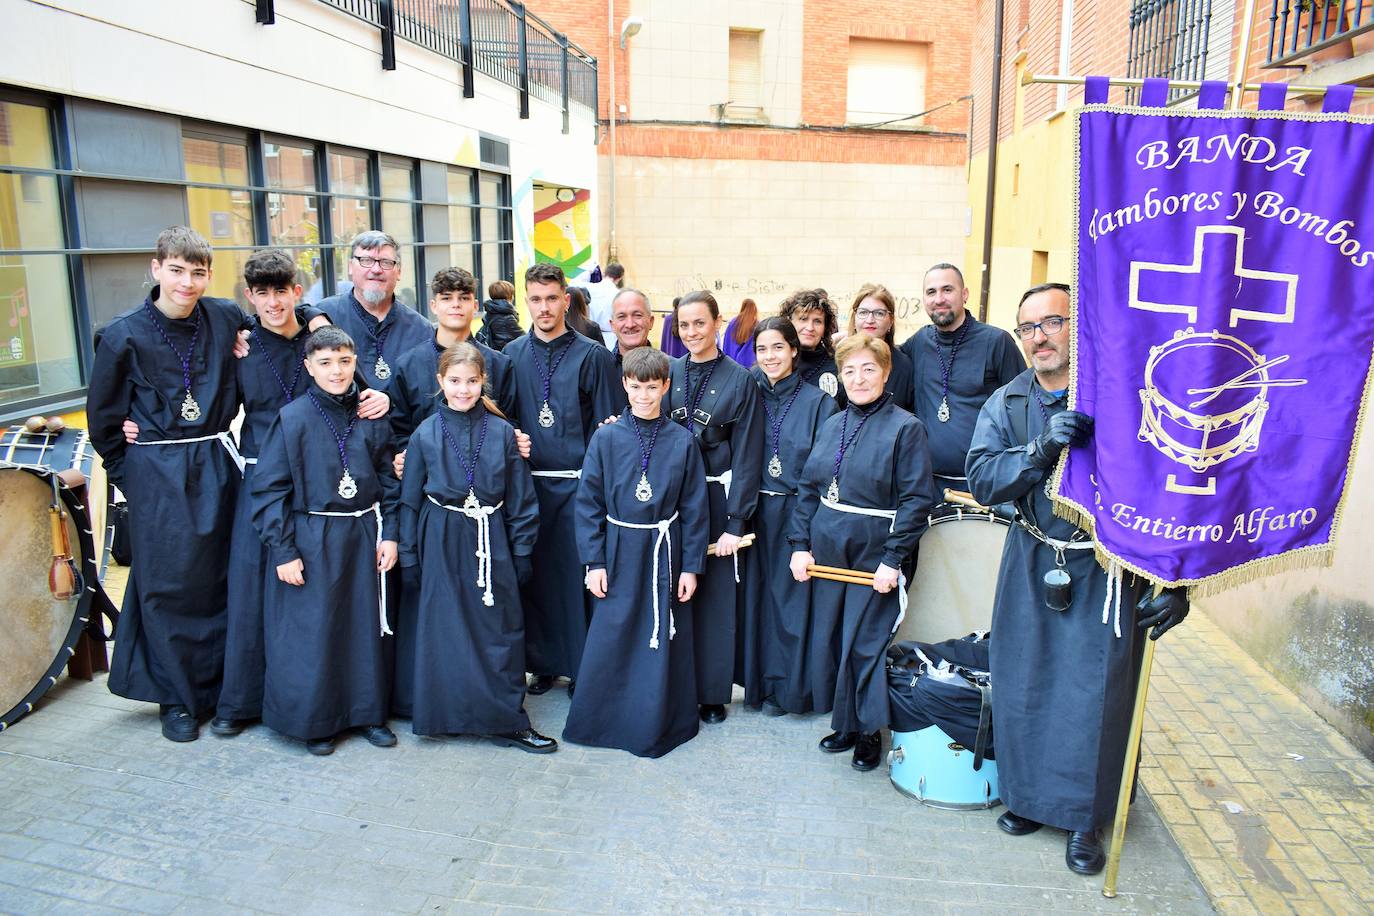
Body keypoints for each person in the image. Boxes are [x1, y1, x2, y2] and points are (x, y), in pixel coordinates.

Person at [966, 282, 1189, 875]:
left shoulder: (1123, 395)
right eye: (1028, 328)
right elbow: (984, 479)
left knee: (1094, 696)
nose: (1040, 337)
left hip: (1107, 567)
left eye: (1052, 322)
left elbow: (1170, 485)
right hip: (1032, 556)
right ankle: (1028, 799)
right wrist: (1038, 450)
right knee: (1023, 679)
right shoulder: (1007, 402)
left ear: (1077, 325)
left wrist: (1177, 578)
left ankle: (1086, 818)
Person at [86, 226, 245, 742]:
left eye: (198, 272)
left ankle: (220, 690)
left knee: (221, 579)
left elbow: (278, 320)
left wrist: (316, 316)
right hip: (156, 472)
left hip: (218, 462)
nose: (188, 282)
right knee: (168, 584)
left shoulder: (223, 316)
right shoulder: (122, 334)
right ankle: (176, 698)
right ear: (156, 269)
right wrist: (132, 476)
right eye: (177, 270)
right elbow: (105, 421)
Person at [250, 325, 401, 756]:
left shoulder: (371, 414)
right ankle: (316, 721)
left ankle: (368, 714)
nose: (337, 371)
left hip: (363, 534)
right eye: (325, 363)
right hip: (313, 536)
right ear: (309, 367)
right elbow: (269, 490)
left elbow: (390, 480)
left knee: (365, 629)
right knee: (317, 631)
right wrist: (283, 550)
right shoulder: (293, 418)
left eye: (345, 361)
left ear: (356, 362)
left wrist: (390, 534)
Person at [398, 342, 555, 751]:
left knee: (499, 628)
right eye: (454, 381)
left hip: (492, 536)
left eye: (471, 381)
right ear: (440, 382)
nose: (463, 390)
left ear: (483, 380)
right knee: (445, 628)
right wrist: (410, 556)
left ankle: (507, 720)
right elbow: (410, 500)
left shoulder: (503, 432)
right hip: (441, 537)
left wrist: (521, 551)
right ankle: (446, 715)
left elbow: (521, 498)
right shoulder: (425, 433)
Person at [789, 334, 934, 771]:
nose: (858, 378)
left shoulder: (906, 427)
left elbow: (915, 500)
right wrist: (799, 545)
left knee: (864, 645)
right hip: (829, 553)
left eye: (868, 369)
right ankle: (846, 723)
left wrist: (892, 559)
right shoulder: (833, 423)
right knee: (833, 639)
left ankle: (871, 731)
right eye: (849, 370)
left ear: (886, 373)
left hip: (875, 555)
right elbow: (810, 489)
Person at [387, 266, 517, 719]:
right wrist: (404, 458)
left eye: (465, 296)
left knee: (494, 622)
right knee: (443, 623)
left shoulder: (499, 363)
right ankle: (439, 707)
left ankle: (498, 711)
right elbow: (397, 431)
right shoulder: (410, 368)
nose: (457, 305)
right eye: (447, 297)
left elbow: (508, 429)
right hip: (439, 515)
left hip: (489, 518)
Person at [566, 347, 709, 757]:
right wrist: (593, 561)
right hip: (618, 548)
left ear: (666, 386)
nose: (644, 395)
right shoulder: (606, 437)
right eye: (635, 386)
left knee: (660, 634)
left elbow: (695, 508)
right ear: (624, 385)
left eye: (652, 387)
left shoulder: (683, 441)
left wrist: (691, 567)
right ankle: (605, 721)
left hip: (665, 549)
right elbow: (589, 502)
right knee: (614, 631)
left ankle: (659, 720)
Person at [503, 263, 620, 698]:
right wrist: (512, 435)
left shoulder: (594, 356)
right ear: (526, 302)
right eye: (535, 299)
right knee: (538, 577)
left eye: (552, 298)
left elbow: (608, 428)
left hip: (577, 486)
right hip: (530, 487)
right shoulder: (511, 355)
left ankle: (580, 665)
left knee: (576, 578)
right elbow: (504, 417)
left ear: (565, 301)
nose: (544, 307)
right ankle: (544, 664)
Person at [667, 291, 764, 724]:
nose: (691, 333)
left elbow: (747, 456)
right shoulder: (668, 373)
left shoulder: (741, 379)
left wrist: (735, 521)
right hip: (674, 502)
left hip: (717, 498)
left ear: (717, 322)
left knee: (715, 598)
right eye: (684, 326)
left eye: (699, 324)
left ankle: (710, 693)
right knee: (676, 590)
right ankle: (676, 681)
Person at [740, 317, 837, 715]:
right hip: (754, 510)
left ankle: (790, 691)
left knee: (791, 604)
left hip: (798, 510)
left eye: (778, 347)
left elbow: (823, 471)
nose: (770, 356)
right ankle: (756, 685)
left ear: (795, 350)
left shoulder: (820, 402)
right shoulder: (747, 391)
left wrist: (805, 528)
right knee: (756, 600)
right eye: (762, 349)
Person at [899, 264, 1024, 494]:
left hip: (981, 488)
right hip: (927, 485)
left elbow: (1022, 410)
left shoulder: (997, 342)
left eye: (947, 290)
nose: (939, 299)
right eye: (931, 292)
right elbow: (883, 361)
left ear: (964, 295)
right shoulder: (919, 342)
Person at [318, 230, 434, 391]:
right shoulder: (323, 317)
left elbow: (426, 394)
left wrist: (392, 401)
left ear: (398, 271)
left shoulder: (421, 330)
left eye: (386, 262)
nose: (376, 269)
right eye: (366, 260)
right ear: (351, 267)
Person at [846, 284, 913, 411]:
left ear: (891, 320)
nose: (870, 319)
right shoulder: (839, 360)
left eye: (879, 313)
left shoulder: (904, 366)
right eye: (863, 312)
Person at [781, 289, 844, 407]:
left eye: (817, 321)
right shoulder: (777, 362)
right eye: (803, 319)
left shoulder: (838, 364)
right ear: (789, 322)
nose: (810, 328)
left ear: (825, 327)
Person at [609, 287, 655, 366]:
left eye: (637, 315)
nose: (630, 325)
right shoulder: (601, 369)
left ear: (651, 321)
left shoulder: (669, 369)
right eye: (621, 317)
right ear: (612, 325)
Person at [476, 279, 522, 352]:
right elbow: (525, 340)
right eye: (512, 294)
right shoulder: (507, 318)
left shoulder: (491, 312)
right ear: (509, 296)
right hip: (504, 357)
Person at [721, 298, 759, 368]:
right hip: (749, 363)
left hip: (732, 361)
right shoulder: (756, 324)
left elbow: (727, 342)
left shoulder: (733, 322)